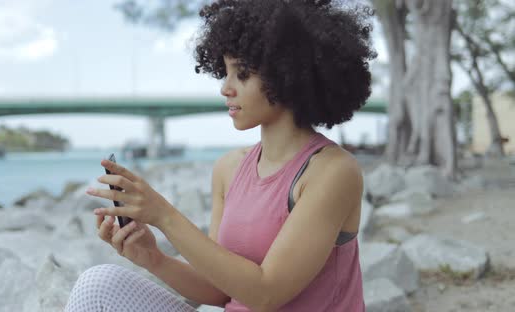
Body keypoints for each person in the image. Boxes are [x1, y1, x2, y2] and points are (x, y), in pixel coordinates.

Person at [65, 0, 376, 311]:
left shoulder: (333, 171)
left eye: (241, 74)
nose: (225, 88)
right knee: (97, 285)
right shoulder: (229, 168)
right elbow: (220, 291)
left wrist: (164, 215)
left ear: (288, 73)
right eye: (224, 73)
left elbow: (266, 294)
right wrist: (153, 257)